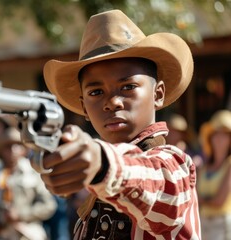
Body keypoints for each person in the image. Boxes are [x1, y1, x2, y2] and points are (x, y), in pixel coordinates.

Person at [39, 9, 201, 239]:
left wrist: (101, 163)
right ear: (84, 107)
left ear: (158, 94)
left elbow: (157, 186)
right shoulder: (98, 186)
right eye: (96, 92)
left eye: (128, 87)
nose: (112, 102)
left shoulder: (174, 163)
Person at [0, 127, 56, 240]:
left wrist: (21, 214)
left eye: (17, 146)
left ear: (24, 150)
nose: (13, 150)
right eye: (8, 147)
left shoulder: (33, 174)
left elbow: (49, 206)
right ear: (1, 151)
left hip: (27, 234)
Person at [197, 110, 231, 240]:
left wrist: (202, 200)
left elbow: (219, 201)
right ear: (210, 138)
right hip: (203, 223)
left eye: (225, 135)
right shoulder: (203, 167)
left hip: (223, 225)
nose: (219, 139)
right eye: (216, 134)